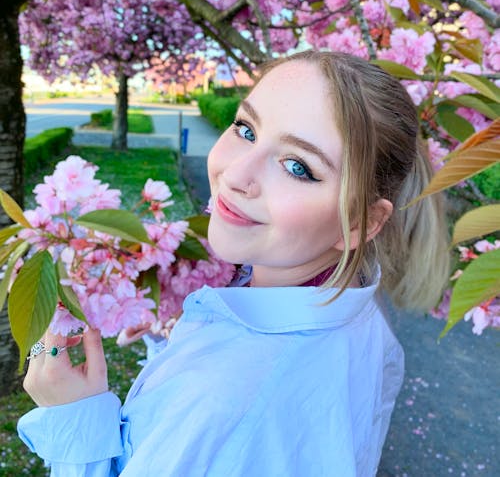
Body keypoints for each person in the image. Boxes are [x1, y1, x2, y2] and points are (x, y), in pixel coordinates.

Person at [18, 50, 450, 476]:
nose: (236, 175)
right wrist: (182, 347)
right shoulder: (354, 307)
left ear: (362, 221)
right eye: (246, 129)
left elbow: (230, 416)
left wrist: (74, 419)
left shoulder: (231, 400)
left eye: (298, 166)